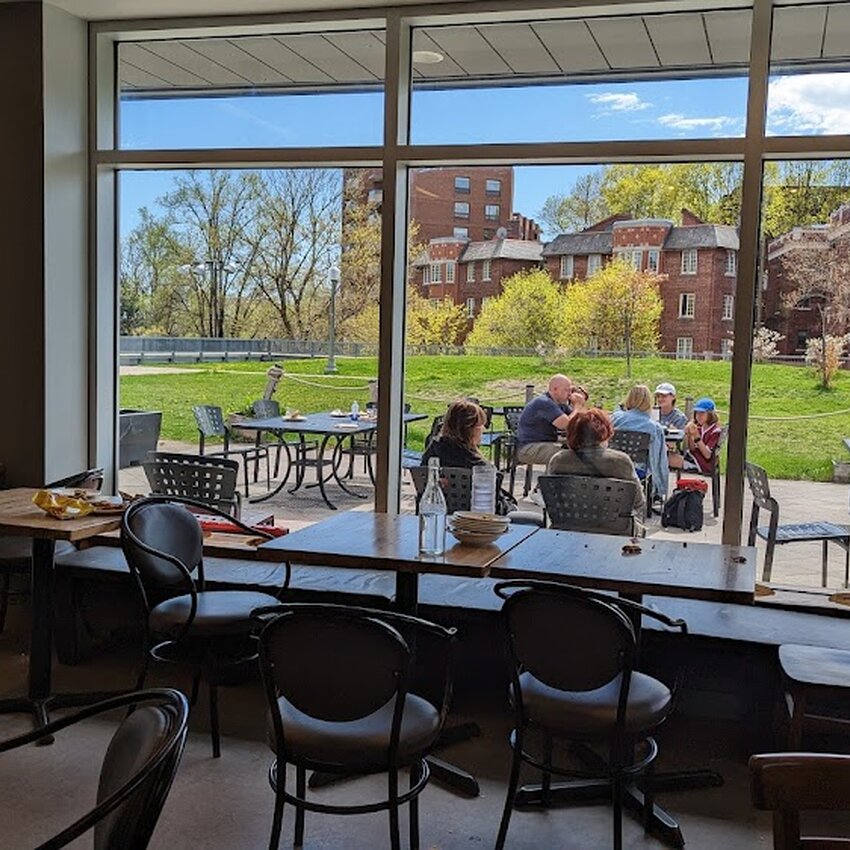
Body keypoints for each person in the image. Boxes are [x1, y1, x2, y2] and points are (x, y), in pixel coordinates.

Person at [422, 399, 517, 515]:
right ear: (472, 430)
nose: (483, 430)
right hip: (474, 520)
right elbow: (495, 507)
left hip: (438, 514)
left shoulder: (432, 453)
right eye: (481, 426)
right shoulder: (480, 467)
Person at [547, 408, 645, 519]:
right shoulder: (620, 461)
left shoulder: (558, 460)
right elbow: (638, 501)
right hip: (613, 527)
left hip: (568, 524)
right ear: (605, 431)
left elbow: (550, 499)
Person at [610, 384, 669, 500]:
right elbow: (658, 459)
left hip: (614, 465)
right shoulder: (654, 427)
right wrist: (661, 487)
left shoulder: (615, 419)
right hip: (638, 470)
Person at [516, 374, 583, 466]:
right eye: (567, 390)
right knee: (567, 456)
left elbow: (579, 420)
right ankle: (551, 480)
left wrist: (581, 404)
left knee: (584, 451)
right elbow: (566, 424)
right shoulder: (544, 402)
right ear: (555, 389)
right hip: (529, 448)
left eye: (571, 390)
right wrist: (578, 406)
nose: (569, 394)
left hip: (547, 443)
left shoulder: (561, 405)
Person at [674, 397, 722, 474]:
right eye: (697, 413)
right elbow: (692, 449)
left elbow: (708, 455)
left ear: (710, 414)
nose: (698, 416)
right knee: (667, 456)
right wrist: (690, 435)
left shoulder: (715, 431)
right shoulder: (700, 427)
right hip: (694, 458)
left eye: (702, 413)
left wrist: (697, 437)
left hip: (703, 464)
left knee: (668, 459)